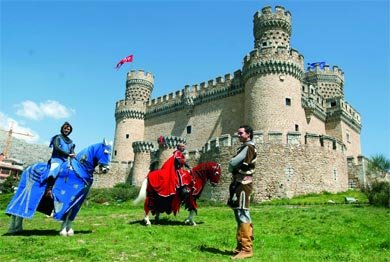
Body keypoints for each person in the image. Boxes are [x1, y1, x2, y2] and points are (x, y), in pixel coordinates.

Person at [228, 125, 257, 259]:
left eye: (241, 133)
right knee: (239, 214)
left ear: (248, 134)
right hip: (238, 184)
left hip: (243, 185)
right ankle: (240, 246)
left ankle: (247, 249)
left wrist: (232, 164)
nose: (238, 135)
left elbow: (233, 163)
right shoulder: (244, 148)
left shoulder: (249, 148)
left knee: (243, 213)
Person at [45, 122, 76, 197]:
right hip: (56, 159)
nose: (66, 130)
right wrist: (68, 154)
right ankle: (49, 189)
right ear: (62, 129)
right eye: (65, 128)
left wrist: (73, 155)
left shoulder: (71, 142)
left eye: (68, 129)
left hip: (65, 161)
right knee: (54, 170)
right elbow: (56, 148)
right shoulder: (57, 137)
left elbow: (72, 151)